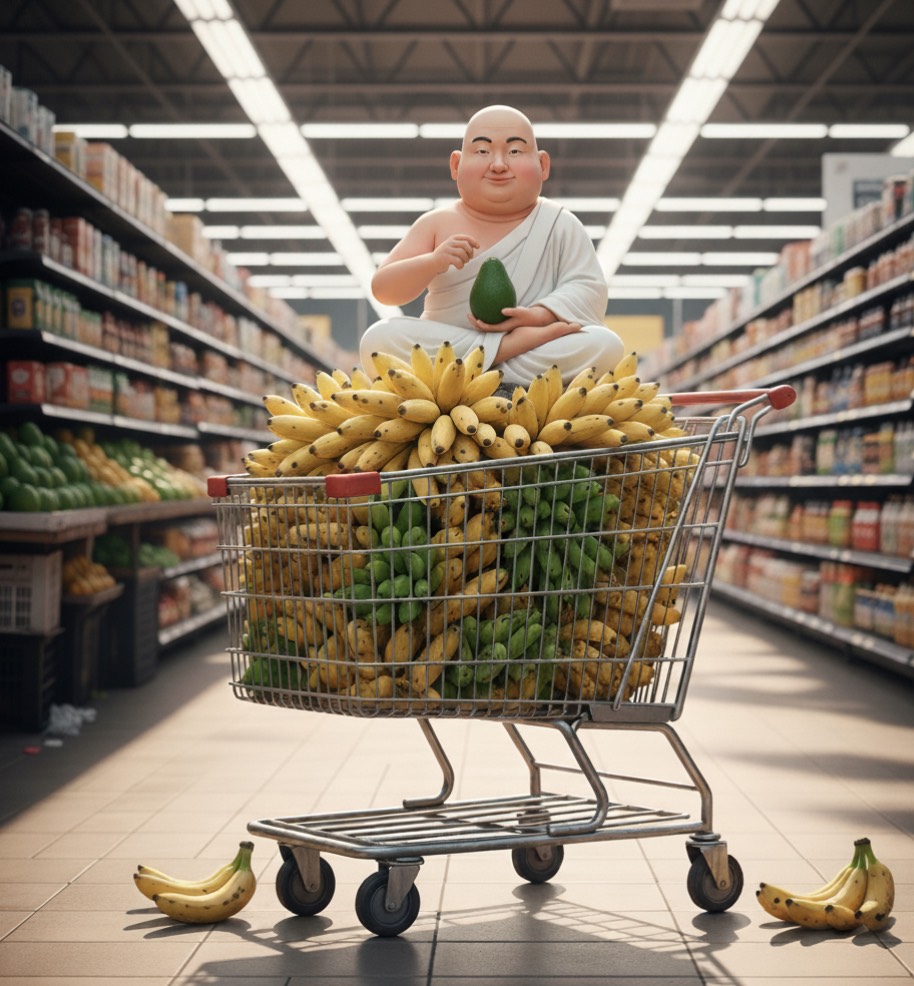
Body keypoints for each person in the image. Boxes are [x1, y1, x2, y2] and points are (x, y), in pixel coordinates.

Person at [359, 104, 624, 388]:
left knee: (606, 345)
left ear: (543, 165)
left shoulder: (560, 223)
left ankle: (481, 366)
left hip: (508, 354)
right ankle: (508, 349)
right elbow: (383, 289)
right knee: (378, 340)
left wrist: (538, 316)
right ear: (456, 165)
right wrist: (433, 261)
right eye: (483, 151)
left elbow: (588, 288)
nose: (498, 165)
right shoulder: (436, 223)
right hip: (454, 345)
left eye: (515, 151)